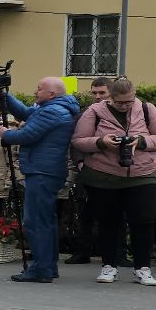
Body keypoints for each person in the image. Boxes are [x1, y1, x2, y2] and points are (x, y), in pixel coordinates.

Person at [71, 76, 156, 286]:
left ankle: (143, 268)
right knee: (108, 223)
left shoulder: (148, 109)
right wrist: (101, 142)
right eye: (119, 102)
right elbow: (78, 140)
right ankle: (109, 266)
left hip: (143, 174)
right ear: (110, 98)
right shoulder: (94, 111)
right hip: (103, 175)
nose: (124, 106)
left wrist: (141, 141)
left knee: (143, 221)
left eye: (128, 102)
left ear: (134, 96)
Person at [0, 77, 83, 283]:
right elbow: (26, 113)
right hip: (46, 171)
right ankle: (48, 266)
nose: (35, 91)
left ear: (51, 94)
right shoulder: (54, 108)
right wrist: (5, 95)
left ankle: (41, 269)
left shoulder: (53, 111)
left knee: (36, 221)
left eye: (39, 88)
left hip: (42, 172)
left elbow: (26, 136)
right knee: (46, 220)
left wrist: (6, 134)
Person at [65, 76, 110, 264]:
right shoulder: (85, 113)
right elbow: (75, 141)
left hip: (112, 170)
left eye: (102, 93)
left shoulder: (124, 113)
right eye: (94, 93)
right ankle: (82, 251)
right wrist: (80, 162)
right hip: (88, 169)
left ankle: (114, 254)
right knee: (85, 213)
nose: (98, 96)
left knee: (113, 214)